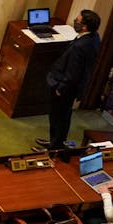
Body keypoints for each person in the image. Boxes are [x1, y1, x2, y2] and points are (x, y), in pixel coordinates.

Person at [37, 10, 102, 151]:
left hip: (65, 88)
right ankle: (54, 142)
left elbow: (73, 72)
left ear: (84, 27)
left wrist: (61, 88)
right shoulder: (94, 37)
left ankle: (54, 148)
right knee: (62, 117)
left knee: (58, 118)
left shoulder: (81, 46)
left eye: (77, 21)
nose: (75, 22)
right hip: (72, 87)